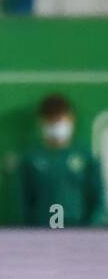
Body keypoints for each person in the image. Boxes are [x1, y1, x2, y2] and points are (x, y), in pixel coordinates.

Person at [18, 94, 103, 227]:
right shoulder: (31, 159)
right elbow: (23, 201)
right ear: (42, 122)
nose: (56, 125)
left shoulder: (86, 157)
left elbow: (97, 197)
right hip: (41, 230)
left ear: (71, 120)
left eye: (60, 120)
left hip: (79, 230)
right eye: (51, 120)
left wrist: (90, 231)